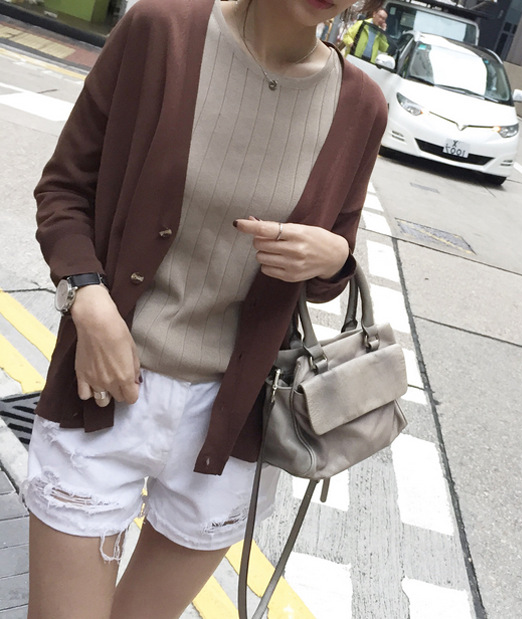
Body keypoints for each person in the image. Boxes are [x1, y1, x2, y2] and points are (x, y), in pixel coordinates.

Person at [24, 0, 387, 617]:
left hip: (231, 422)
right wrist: (89, 300)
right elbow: (64, 189)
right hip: (104, 388)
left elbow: (325, 278)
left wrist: (335, 258)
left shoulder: (361, 106)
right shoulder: (160, 31)